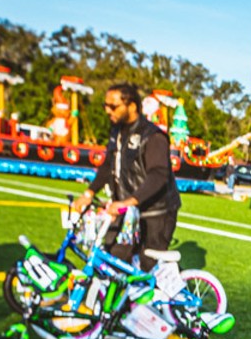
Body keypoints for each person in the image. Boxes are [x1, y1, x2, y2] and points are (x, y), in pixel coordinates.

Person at [71, 83, 180, 271]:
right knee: (113, 257)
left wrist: (129, 201)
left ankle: (163, 295)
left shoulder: (153, 136)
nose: (107, 111)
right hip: (126, 210)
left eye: (113, 106)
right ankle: (120, 300)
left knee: (148, 267)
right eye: (105, 106)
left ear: (131, 106)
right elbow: (108, 166)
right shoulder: (117, 131)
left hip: (156, 213)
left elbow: (158, 175)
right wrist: (89, 193)